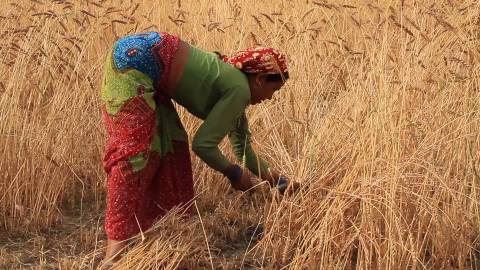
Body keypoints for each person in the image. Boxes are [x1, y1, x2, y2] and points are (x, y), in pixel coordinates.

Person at [99, 31, 294, 264]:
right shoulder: (240, 90)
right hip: (134, 62)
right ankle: (115, 254)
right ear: (260, 80)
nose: (271, 98)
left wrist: (281, 183)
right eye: (274, 90)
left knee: (169, 146)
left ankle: (148, 237)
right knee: (133, 154)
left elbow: (245, 152)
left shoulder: (236, 91)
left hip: (149, 61)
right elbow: (203, 145)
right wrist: (234, 173)